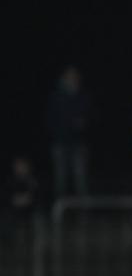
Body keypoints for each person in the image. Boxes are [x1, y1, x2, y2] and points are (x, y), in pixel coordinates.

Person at [46, 65, 90, 197]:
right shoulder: (56, 96)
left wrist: (84, 123)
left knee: (81, 178)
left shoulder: (83, 96)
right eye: (69, 76)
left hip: (79, 143)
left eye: (75, 76)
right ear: (63, 78)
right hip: (59, 142)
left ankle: (84, 214)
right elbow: (50, 119)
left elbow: (91, 117)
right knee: (60, 178)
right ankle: (60, 213)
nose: (72, 79)